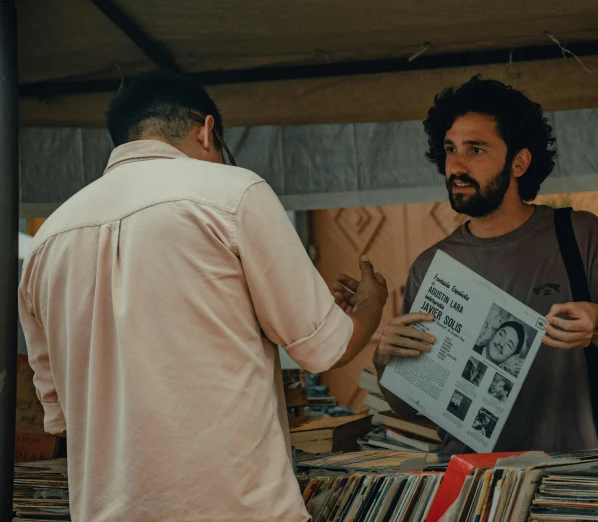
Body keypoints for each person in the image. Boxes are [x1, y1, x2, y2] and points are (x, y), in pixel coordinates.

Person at [18, 71, 388, 522]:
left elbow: (59, 418)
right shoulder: (233, 193)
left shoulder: (46, 241)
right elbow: (324, 349)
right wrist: (371, 305)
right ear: (206, 130)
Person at [334, 75, 598, 464]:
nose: (456, 164)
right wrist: (384, 359)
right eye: (450, 149)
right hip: (475, 484)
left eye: (476, 150)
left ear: (519, 162)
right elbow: (409, 408)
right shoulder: (431, 266)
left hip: (578, 477)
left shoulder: (581, 235)